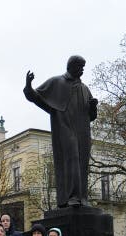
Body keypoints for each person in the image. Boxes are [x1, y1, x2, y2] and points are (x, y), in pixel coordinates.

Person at [24, 55, 98, 207]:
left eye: (83, 67)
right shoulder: (57, 82)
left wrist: (93, 106)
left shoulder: (85, 88)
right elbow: (35, 96)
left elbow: (91, 117)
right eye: (79, 66)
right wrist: (28, 85)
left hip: (83, 131)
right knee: (71, 159)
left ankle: (82, 198)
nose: (82, 70)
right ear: (70, 66)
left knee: (82, 163)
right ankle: (70, 197)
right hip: (64, 128)